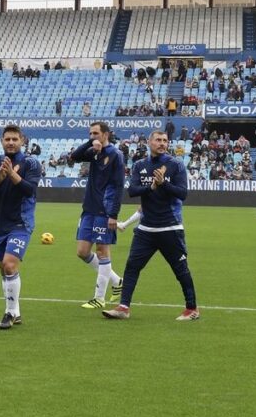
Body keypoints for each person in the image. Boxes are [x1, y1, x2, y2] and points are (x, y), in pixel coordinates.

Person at [103, 131, 200, 321]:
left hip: (170, 228)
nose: (162, 143)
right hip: (146, 229)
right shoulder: (140, 165)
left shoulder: (176, 165)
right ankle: (123, 307)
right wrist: (152, 187)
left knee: (181, 270)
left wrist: (163, 184)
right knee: (132, 267)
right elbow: (132, 191)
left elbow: (182, 193)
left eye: (165, 140)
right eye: (158, 140)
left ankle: (192, 309)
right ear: (149, 142)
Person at [0, 125, 42, 330]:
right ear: (1, 141)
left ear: (22, 141)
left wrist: (12, 176)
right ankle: (15, 311)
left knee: (9, 265)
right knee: (4, 270)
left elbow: (29, 190)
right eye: (7, 139)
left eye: (15, 139)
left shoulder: (31, 163)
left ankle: (9, 312)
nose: (11, 142)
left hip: (21, 223)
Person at [69, 122, 125, 309]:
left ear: (106, 134)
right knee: (82, 252)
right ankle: (117, 282)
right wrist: (90, 144)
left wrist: (113, 214)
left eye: (96, 133)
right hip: (89, 208)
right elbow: (74, 157)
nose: (93, 136)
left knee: (102, 251)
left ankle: (99, 298)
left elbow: (118, 187)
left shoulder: (116, 155)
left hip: (105, 210)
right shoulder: (94, 153)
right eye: (90, 133)